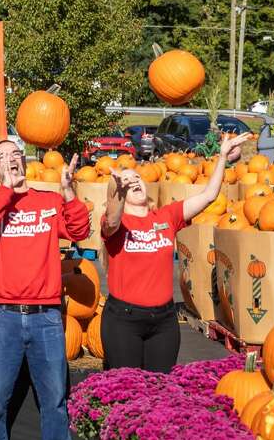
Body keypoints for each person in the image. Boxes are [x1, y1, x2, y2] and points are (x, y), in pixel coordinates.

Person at [0, 140, 90, 440]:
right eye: (1, 157)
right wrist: (7, 190)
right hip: (1, 316)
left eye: (15, 154)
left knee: (53, 396)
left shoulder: (47, 202)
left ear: (25, 160)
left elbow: (79, 231)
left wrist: (68, 193)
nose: (10, 160)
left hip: (45, 315)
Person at [101, 132, 251, 371]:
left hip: (163, 321)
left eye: (137, 177)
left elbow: (209, 196)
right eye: (126, 181)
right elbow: (111, 221)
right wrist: (116, 196)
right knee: (127, 388)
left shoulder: (166, 217)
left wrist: (222, 156)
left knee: (161, 387)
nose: (134, 182)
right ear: (118, 191)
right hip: (124, 321)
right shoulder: (118, 225)